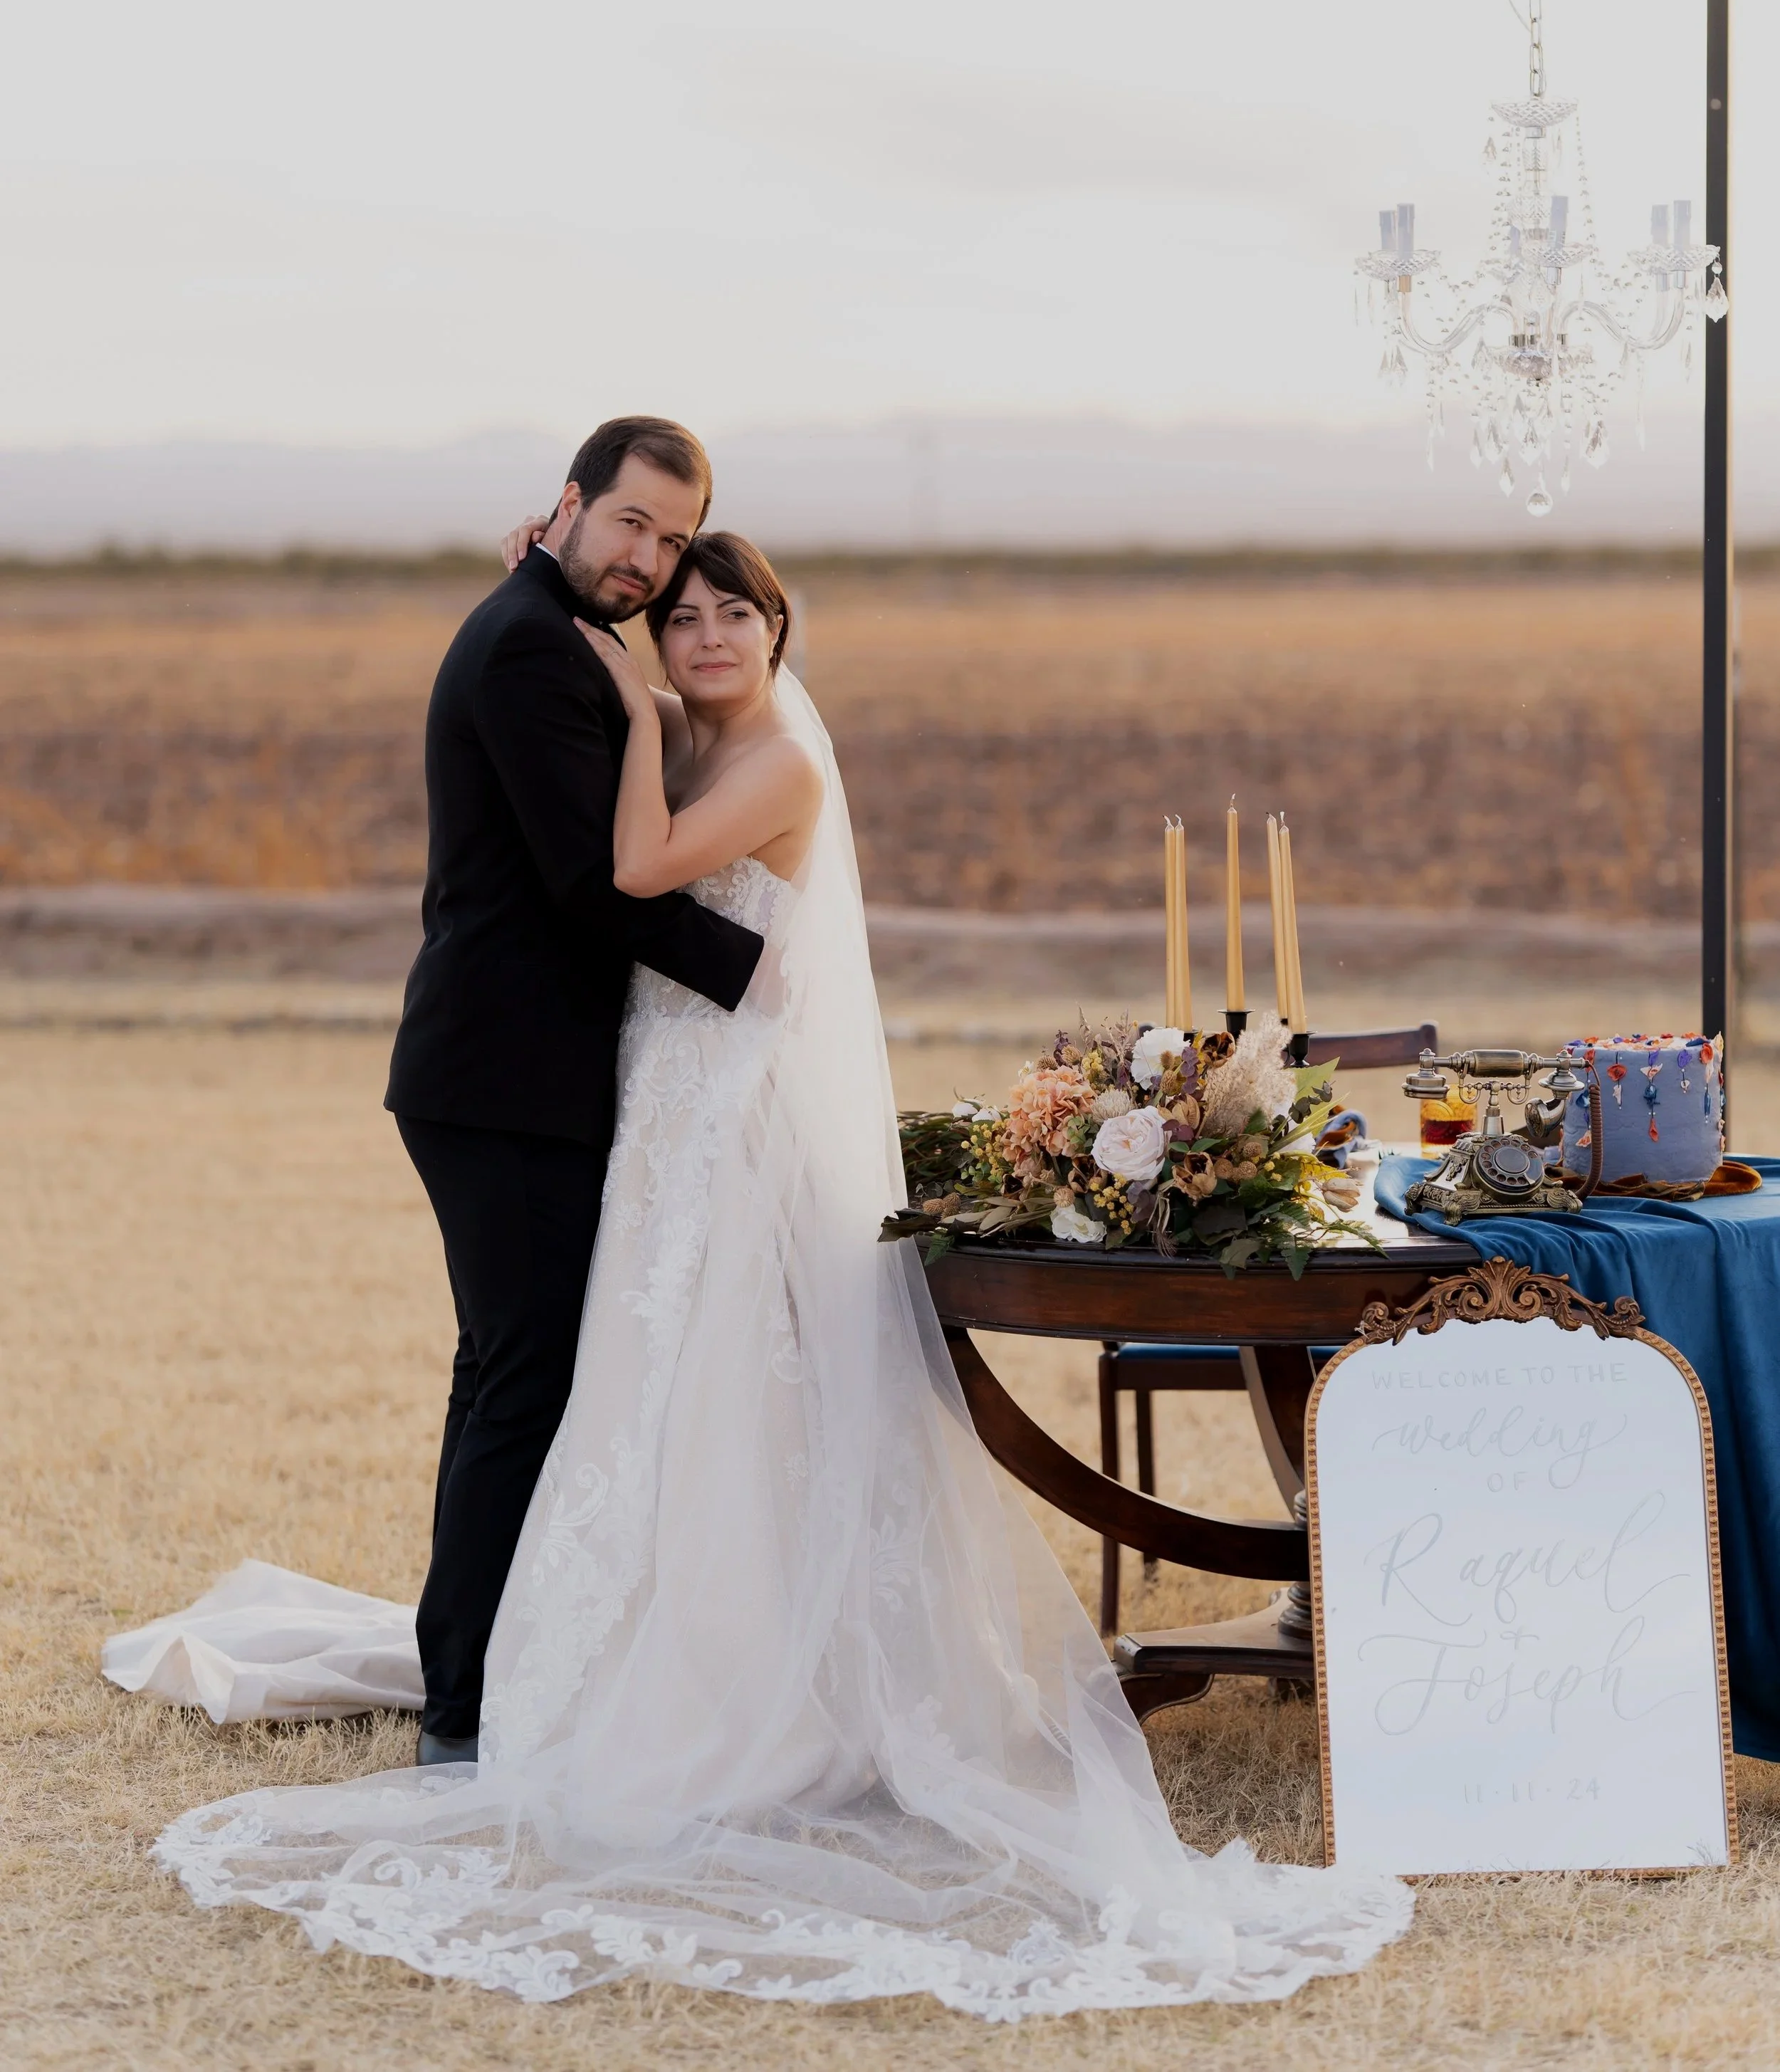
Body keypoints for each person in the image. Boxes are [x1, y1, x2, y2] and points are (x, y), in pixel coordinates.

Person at [142, 516, 1413, 2016]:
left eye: (735, 618)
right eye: (680, 620)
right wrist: (586, 647)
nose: (707, 642)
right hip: (660, 1104)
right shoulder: (684, 731)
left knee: (720, 1382)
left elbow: (628, 864)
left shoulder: (770, 762)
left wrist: (617, 694)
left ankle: (741, 1698)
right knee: (644, 1382)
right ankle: (596, 1652)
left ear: (777, 629)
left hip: (730, 1117)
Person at [384, 417, 765, 1760]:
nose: (651, 561)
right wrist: (767, 973)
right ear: (570, 503)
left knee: (503, 1372)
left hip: (502, 1072)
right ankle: (464, 1714)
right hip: (505, 1079)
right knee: (522, 1381)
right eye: (630, 526)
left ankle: (472, 1665)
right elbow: (587, 887)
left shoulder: (554, 621)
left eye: (673, 538)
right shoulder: (536, 644)